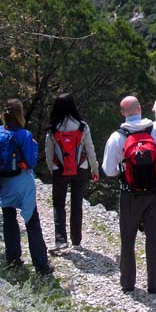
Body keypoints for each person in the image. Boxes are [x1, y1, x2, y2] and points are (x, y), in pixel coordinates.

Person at [102, 96, 156, 293]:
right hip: (154, 191)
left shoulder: (117, 137)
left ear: (123, 113)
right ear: (140, 108)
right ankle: (154, 282)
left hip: (129, 194)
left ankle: (128, 282)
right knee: (152, 236)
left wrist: (126, 172)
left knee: (128, 237)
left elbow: (109, 170)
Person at [0, 99, 52, 274]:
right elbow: (31, 162)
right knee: (32, 221)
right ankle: (41, 265)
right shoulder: (24, 135)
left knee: (9, 219)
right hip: (22, 182)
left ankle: (13, 261)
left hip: (3, 182)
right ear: (20, 114)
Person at [45, 93, 99, 251]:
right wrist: (94, 169)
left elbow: (49, 154)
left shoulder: (53, 129)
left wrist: (52, 170)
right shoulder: (82, 127)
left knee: (58, 204)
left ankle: (61, 239)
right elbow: (90, 149)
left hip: (59, 170)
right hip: (80, 168)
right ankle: (76, 240)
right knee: (77, 204)